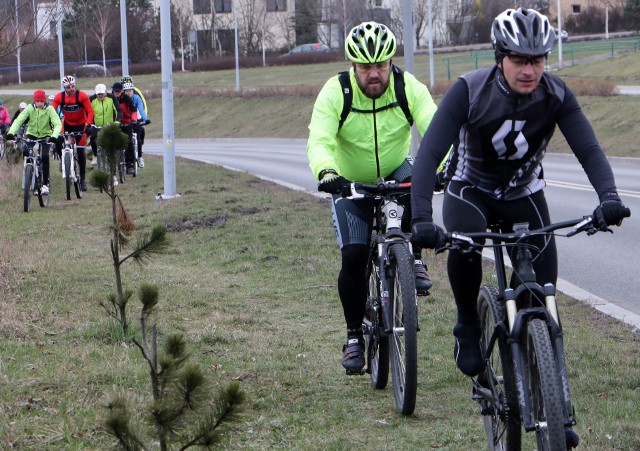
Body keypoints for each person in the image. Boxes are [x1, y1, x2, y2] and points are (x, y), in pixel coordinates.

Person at [410, 8, 630, 383]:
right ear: (501, 58)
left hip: (524, 195)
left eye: (537, 60)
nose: (528, 70)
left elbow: (589, 149)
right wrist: (421, 219)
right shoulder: (470, 90)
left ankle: (546, 403)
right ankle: (467, 323)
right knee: (466, 245)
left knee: (543, 293)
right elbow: (429, 154)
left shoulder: (556, 94)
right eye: (518, 60)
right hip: (471, 191)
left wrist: (608, 197)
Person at [306, 21, 438, 374]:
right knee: (353, 256)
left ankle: (414, 255)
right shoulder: (337, 92)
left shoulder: (407, 87)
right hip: (350, 179)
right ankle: (353, 338)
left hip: (396, 168)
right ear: (353, 66)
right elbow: (319, 137)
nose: (374, 74)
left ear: (391, 62)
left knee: (418, 181)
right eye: (365, 67)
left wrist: (446, 163)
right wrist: (327, 173)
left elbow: (435, 126)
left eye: (381, 65)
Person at [6, 90, 63, 195]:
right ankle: (28, 173)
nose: (40, 103)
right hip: (31, 133)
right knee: (26, 150)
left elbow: (57, 123)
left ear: (45, 101)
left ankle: (45, 184)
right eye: (38, 101)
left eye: (42, 101)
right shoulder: (30, 108)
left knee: (45, 156)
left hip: (46, 135)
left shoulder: (50, 109)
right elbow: (19, 120)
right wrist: (11, 132)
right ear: (34, 101)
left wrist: (54, 136)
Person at [51, 75, 95, 191]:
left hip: (81, 125)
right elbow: (51, 111)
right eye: (68, 87)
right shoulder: (59, 97)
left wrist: (89, 125)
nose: (71, 88)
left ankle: (83, 179)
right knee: (57, 140)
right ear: (64, 88)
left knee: (80, 153)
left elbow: (90, 111)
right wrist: (51, 124)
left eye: (73, 86)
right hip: (67, 124)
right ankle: (63, 160)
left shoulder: (82, 96)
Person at [111, 82, 138, 174]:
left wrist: (134, 120)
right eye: (115, 91)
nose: (117, 93)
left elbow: (133, 109)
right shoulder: (110, 98)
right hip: (114, 123)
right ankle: (112, 166)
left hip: (126, 122)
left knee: (129, 142)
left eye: (119, 91)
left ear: (122, 91)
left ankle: (130, 164)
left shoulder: (126, 98)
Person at [123, 81, 150, 168]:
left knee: (138, 138)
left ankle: (140, 157)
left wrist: (146, 119)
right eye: (126, 91)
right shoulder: (122, 99)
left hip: (136, 120)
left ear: (133, 91)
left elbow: (141, 110)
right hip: (126, 121)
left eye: (130, 90)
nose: (128, 92)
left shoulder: (136, 98)